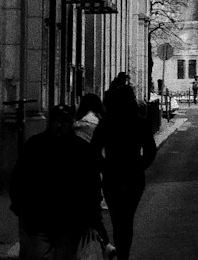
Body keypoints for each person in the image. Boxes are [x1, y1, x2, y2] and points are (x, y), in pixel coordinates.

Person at [9, 104, 104, 260]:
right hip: (38, 218)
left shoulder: (81, 150)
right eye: (56, 121)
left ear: (71, 123)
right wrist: (20, 206)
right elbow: (19, 177)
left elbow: (91, 185)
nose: (59, 126)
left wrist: (92, 215)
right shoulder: (35, 145)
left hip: (68, 221)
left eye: (64, 121)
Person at [92, 77, 157, 260]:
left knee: (117, 217)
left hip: (113, 175)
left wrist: (105, 167)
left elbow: (94, 150)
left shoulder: (107, 122)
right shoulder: (138, 121)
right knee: (127, 219)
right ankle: (124, 254)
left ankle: (121, 251)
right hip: (134, 176)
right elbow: (150, 150)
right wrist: (139, 166)